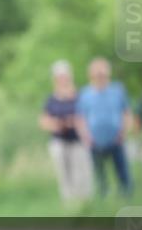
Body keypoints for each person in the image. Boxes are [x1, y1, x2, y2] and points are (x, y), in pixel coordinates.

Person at [75, 58, 133, 197]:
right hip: (95, 141)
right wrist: (85, 136)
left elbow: (126, 113)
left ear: (108, 74)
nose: (100, 76)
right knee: (100, 175)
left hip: (116, 139)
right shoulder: (85, 93)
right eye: (97, 73)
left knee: (123, 173)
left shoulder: (118, 90)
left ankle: (126, 198)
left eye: (103, 73)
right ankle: (102, 201)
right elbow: (80, 118)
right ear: (91, 75)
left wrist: (124, 132)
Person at [39, 60, 93, 202]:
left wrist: (75, 121)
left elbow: (88, 116)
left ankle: (85, 204)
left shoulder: (80, 96)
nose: (63, 80)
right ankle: (69, 205)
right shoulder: (51, 99)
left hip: (78, 140)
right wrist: (57, 124)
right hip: (59, 141)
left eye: (65, 76)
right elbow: (44, 121)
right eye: (60, 77)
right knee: (64, 175)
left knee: (81, 174)